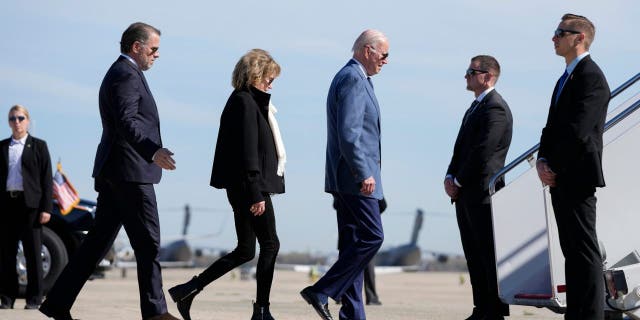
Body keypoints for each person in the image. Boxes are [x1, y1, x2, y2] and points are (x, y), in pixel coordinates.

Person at [39, 22, 178, 320]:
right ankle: (155, 313)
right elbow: (127, 122)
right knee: (148, 243)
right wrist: (152, 152)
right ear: (136, 47)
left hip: (119, 173)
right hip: (130, 174)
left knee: (96, 245)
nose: (157, 55)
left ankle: (56, 304)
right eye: (153, 49)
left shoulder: (126, 73)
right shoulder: (125, 75)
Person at [168, 48, 285, 320]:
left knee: (246, 249)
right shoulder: (244, 102)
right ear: (254, 74)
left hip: (243, 186)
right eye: (268, 77)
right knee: (270, 245)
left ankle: (189, 288)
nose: (272, 83)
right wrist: (256, 192)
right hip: (248, 187)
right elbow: (247, 152)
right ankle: (262, 311)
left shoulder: (245, 101)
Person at [300, 29, 388, 320]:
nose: (386, 61)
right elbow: (349, 134)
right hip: (354, 178)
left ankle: (352, 313)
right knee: (373, 236)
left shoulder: (356, 78)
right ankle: (322, 290)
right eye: (383, 54)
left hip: (347, 177)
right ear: (367, 50)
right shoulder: (352, 78)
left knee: (353, 245)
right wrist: (363, 172)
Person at [536, 14, 609, 320]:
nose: (553, 37)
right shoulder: (565, 78)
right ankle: (576, 314)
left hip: (576, 175)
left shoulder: (591, 77)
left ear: (579, 38)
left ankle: (590, 315)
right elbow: (552, 127)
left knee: (584, 251)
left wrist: (554, 165)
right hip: (559, 175)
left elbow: (579, 131)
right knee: (571, 252)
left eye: (559, 32)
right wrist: (541, 160)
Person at [444, 55, 512, 320]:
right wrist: (450, 175)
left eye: (471, 72)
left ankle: (493, 311)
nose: (466, 76)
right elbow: (460, 149)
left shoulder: (495, 108)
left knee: (486, 255)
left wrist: (458, 180)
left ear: (488, 76)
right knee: (473, 254)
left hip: (483, 193)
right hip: (465, 193)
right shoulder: (474, 107)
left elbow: (484, 152)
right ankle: (481, 308)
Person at [0, 105, 52, 310]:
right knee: (6, 254)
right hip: (6, 205)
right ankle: (6, 297)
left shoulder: (39, 146)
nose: (17, 122)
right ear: (8, 122)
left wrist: (46, 208)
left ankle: (34, 298)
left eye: (20, 118)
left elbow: (47, 179)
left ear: (28, 120)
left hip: (30, 206)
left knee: (32, 253)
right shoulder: (2, 147)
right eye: (12, 118)